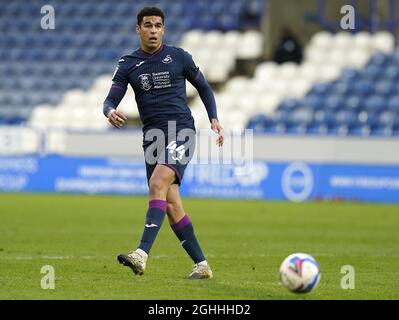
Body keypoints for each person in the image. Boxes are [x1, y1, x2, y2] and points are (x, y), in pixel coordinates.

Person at [103, 7, 224, 279]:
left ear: (163, 29)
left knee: (158, 184)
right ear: (138, 29)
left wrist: (214, 117)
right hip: (152, 139)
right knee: (171, 204)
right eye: (148, 25)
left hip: (181, 131)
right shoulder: (128, 64)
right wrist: (110, 111)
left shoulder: (179, 57)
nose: (154, 30)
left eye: (158, 25)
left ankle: (141, 254)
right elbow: (110, 99)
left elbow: (204, 87)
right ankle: (202, 265)